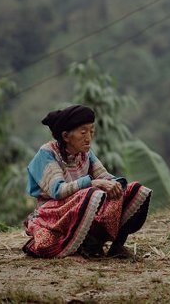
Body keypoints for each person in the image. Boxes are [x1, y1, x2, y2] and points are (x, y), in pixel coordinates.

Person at [22, 104, 151, 258]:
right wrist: (92, 183)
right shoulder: (47, 153)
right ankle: (78, 246)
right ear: (65, 136)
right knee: (92, 193)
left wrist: (116, 184)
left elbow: (104, 176)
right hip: (51, 214)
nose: (89, 138)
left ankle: (112, 246)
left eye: (91, 131)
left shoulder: (85, 154)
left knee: (134, 190)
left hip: (82, 206)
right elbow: (58, 191)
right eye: (83, 132)